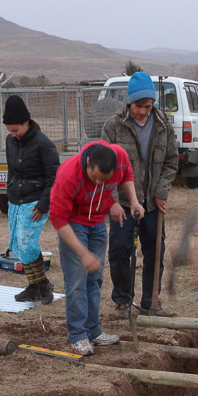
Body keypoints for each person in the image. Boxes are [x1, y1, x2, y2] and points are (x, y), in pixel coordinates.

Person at [48, 141, 144, 355]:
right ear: (88, 163)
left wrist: (134, 201)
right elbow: (58, 219)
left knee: (95, 278)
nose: (100, 183)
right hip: (74, 224)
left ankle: (93, 330)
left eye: (105, 179)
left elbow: (127, 174)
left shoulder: (119, 156)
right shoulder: (68, 174)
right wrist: (83, 253)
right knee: (77, 281)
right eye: (95, 177)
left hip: (98, 222)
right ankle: (78, 335)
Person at [102, 72, 179, 317]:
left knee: (155, 252)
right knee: (120, 251)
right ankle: (123, 302)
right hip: (123, 203)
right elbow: (102, 167)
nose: (143, 111)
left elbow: (171, 161)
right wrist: (111, 201)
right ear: (129, 102)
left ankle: (150, 302)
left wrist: (161, 191)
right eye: (139, 106)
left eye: (148, 106)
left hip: (153, 203)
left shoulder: (164, 126)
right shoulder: (114, 126)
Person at [2, 95, 60, 304]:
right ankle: (36, 286)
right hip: (16, 200)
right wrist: (9, 194)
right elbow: (12, 170)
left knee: (27, 243)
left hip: (36, 201)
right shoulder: (11, 141)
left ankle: (43, 286)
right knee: (18, 245)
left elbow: (54, 178)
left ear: (26, 122)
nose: (13, 134)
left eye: (15, 129)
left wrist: (44, 205)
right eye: (10, 130)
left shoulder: (44, 144)